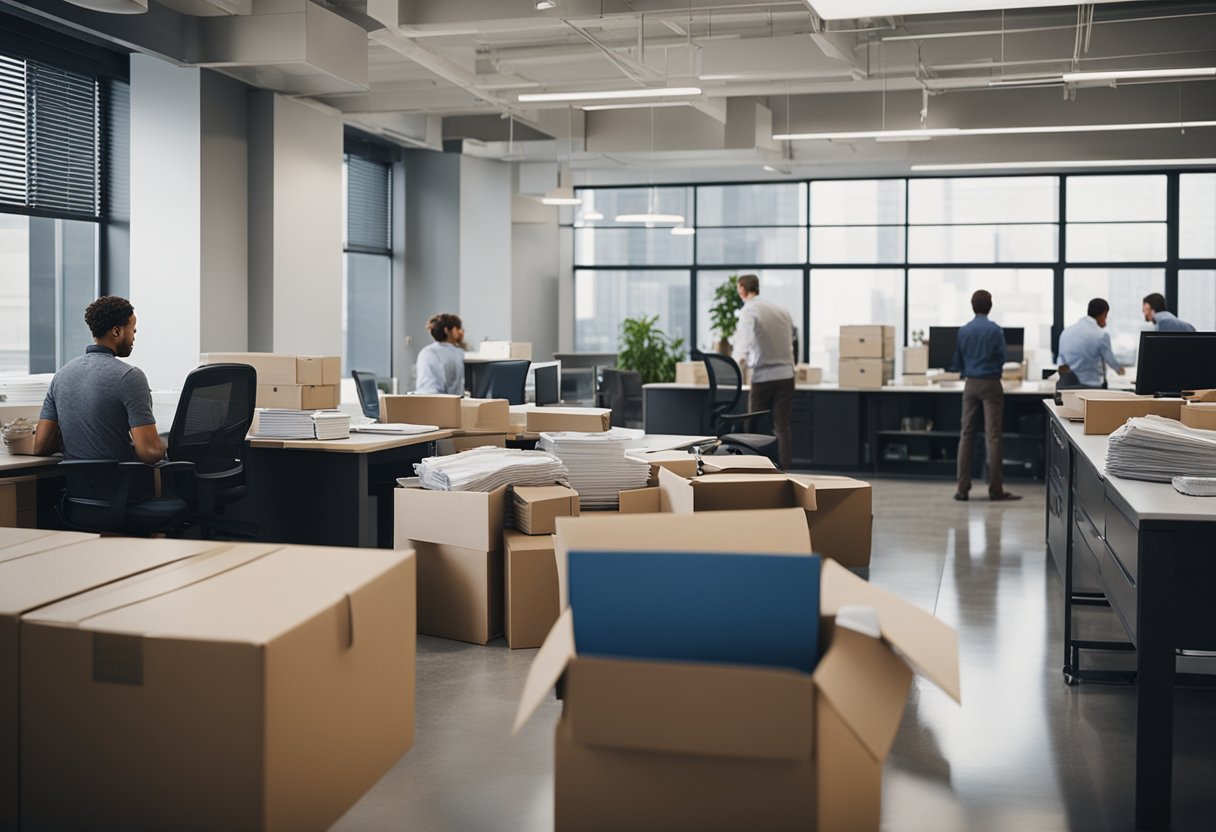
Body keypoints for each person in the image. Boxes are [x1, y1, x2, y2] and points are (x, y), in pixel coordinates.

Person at [33, 295, 164, 465]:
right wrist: (166, 444)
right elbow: (150, 453)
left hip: (76, 488)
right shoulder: (130, 376)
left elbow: (41, 446)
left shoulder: (61, 375)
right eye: (133, 330)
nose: (134, 337)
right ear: (117, 331)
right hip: (126, 488)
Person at [953, 290, 1019, 502]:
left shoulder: (964, 331)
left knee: (966, 436)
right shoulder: (995, 331)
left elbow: (958, 361)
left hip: (970, 384)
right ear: (990, 306)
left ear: (973, 306)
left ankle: (962, 490)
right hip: (991, 384)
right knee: (993, 437)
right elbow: (1002, 357)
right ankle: (995, 489)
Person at [733, 274, 795, 469]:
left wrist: (734, 366)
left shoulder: (749, 310)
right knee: (782, 427)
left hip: (764, 376)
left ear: (742, 288)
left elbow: (743, 345)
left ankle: (753, 467)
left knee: (753, 426)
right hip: (786, 375)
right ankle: (784, 470)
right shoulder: (781, 310)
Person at [1057, 298, 1125, 388]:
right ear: (1103, 314)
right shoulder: (1101, 335)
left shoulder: (1066, 332)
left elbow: (1061, 361)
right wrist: (1122, 371)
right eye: (1106, 316)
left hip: (1065, 387)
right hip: (1090, 389)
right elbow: (1112, 362)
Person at [415, 313, 466, 395]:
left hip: (424, 400)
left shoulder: (425, 352)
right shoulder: (458, 354)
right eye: (457, 328)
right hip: (445, 402)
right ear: (447, 331)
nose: (461, 332)